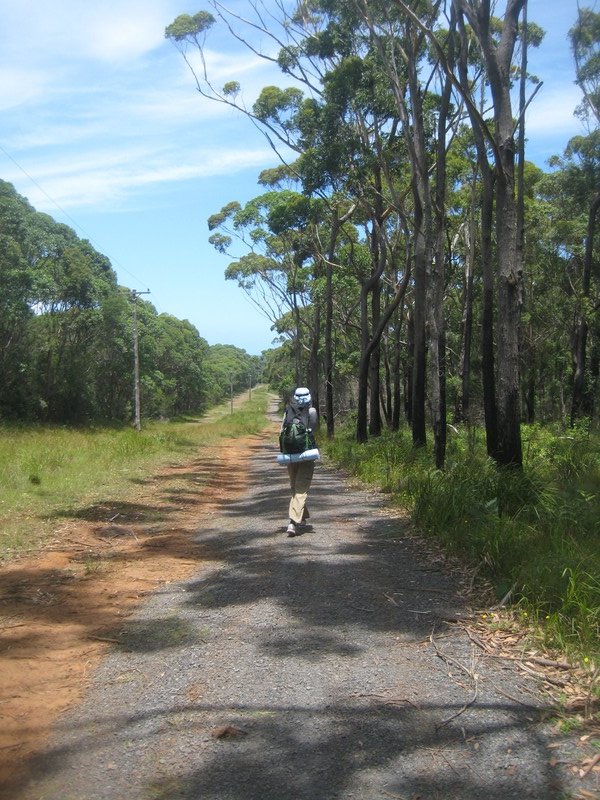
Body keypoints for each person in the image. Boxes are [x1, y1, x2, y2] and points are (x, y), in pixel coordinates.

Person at [282, 387, 318, 537]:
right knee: (301, 489)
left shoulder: (288, 410)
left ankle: (301, 516)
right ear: (309, 397)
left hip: (290, 455)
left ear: (295, 398)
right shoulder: (312, 412)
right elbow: (313, 430)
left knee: (295, 486)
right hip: (307, 456)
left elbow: (282, 431)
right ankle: (293, 522)